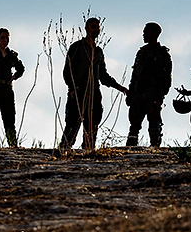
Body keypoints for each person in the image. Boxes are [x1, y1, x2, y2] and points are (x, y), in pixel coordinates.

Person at [60, 17, 128, 150]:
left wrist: (120, 87)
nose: (95, 29)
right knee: (72, 126)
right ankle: (63, 152)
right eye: (93, 26)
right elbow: (67, 70)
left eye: (97, 27)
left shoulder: (98, 52)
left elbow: (103, 76)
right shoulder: (77, 47)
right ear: (86, 29)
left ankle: (88, 153)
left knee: (92, 127)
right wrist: (72, 88)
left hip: (94, 94)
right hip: (79, 92)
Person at [126, 22, 173, 147]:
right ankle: (130, 147)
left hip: (153, 93)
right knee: (134, 123)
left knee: (154, 123)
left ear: (155, 34)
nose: (143, 34)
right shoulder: (141, 52)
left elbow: (167, 78)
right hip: (138, 92)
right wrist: (131, 93)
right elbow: (135, 74)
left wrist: (160, 96)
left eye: (146, 32)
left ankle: (155, 149)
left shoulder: (163, 54)